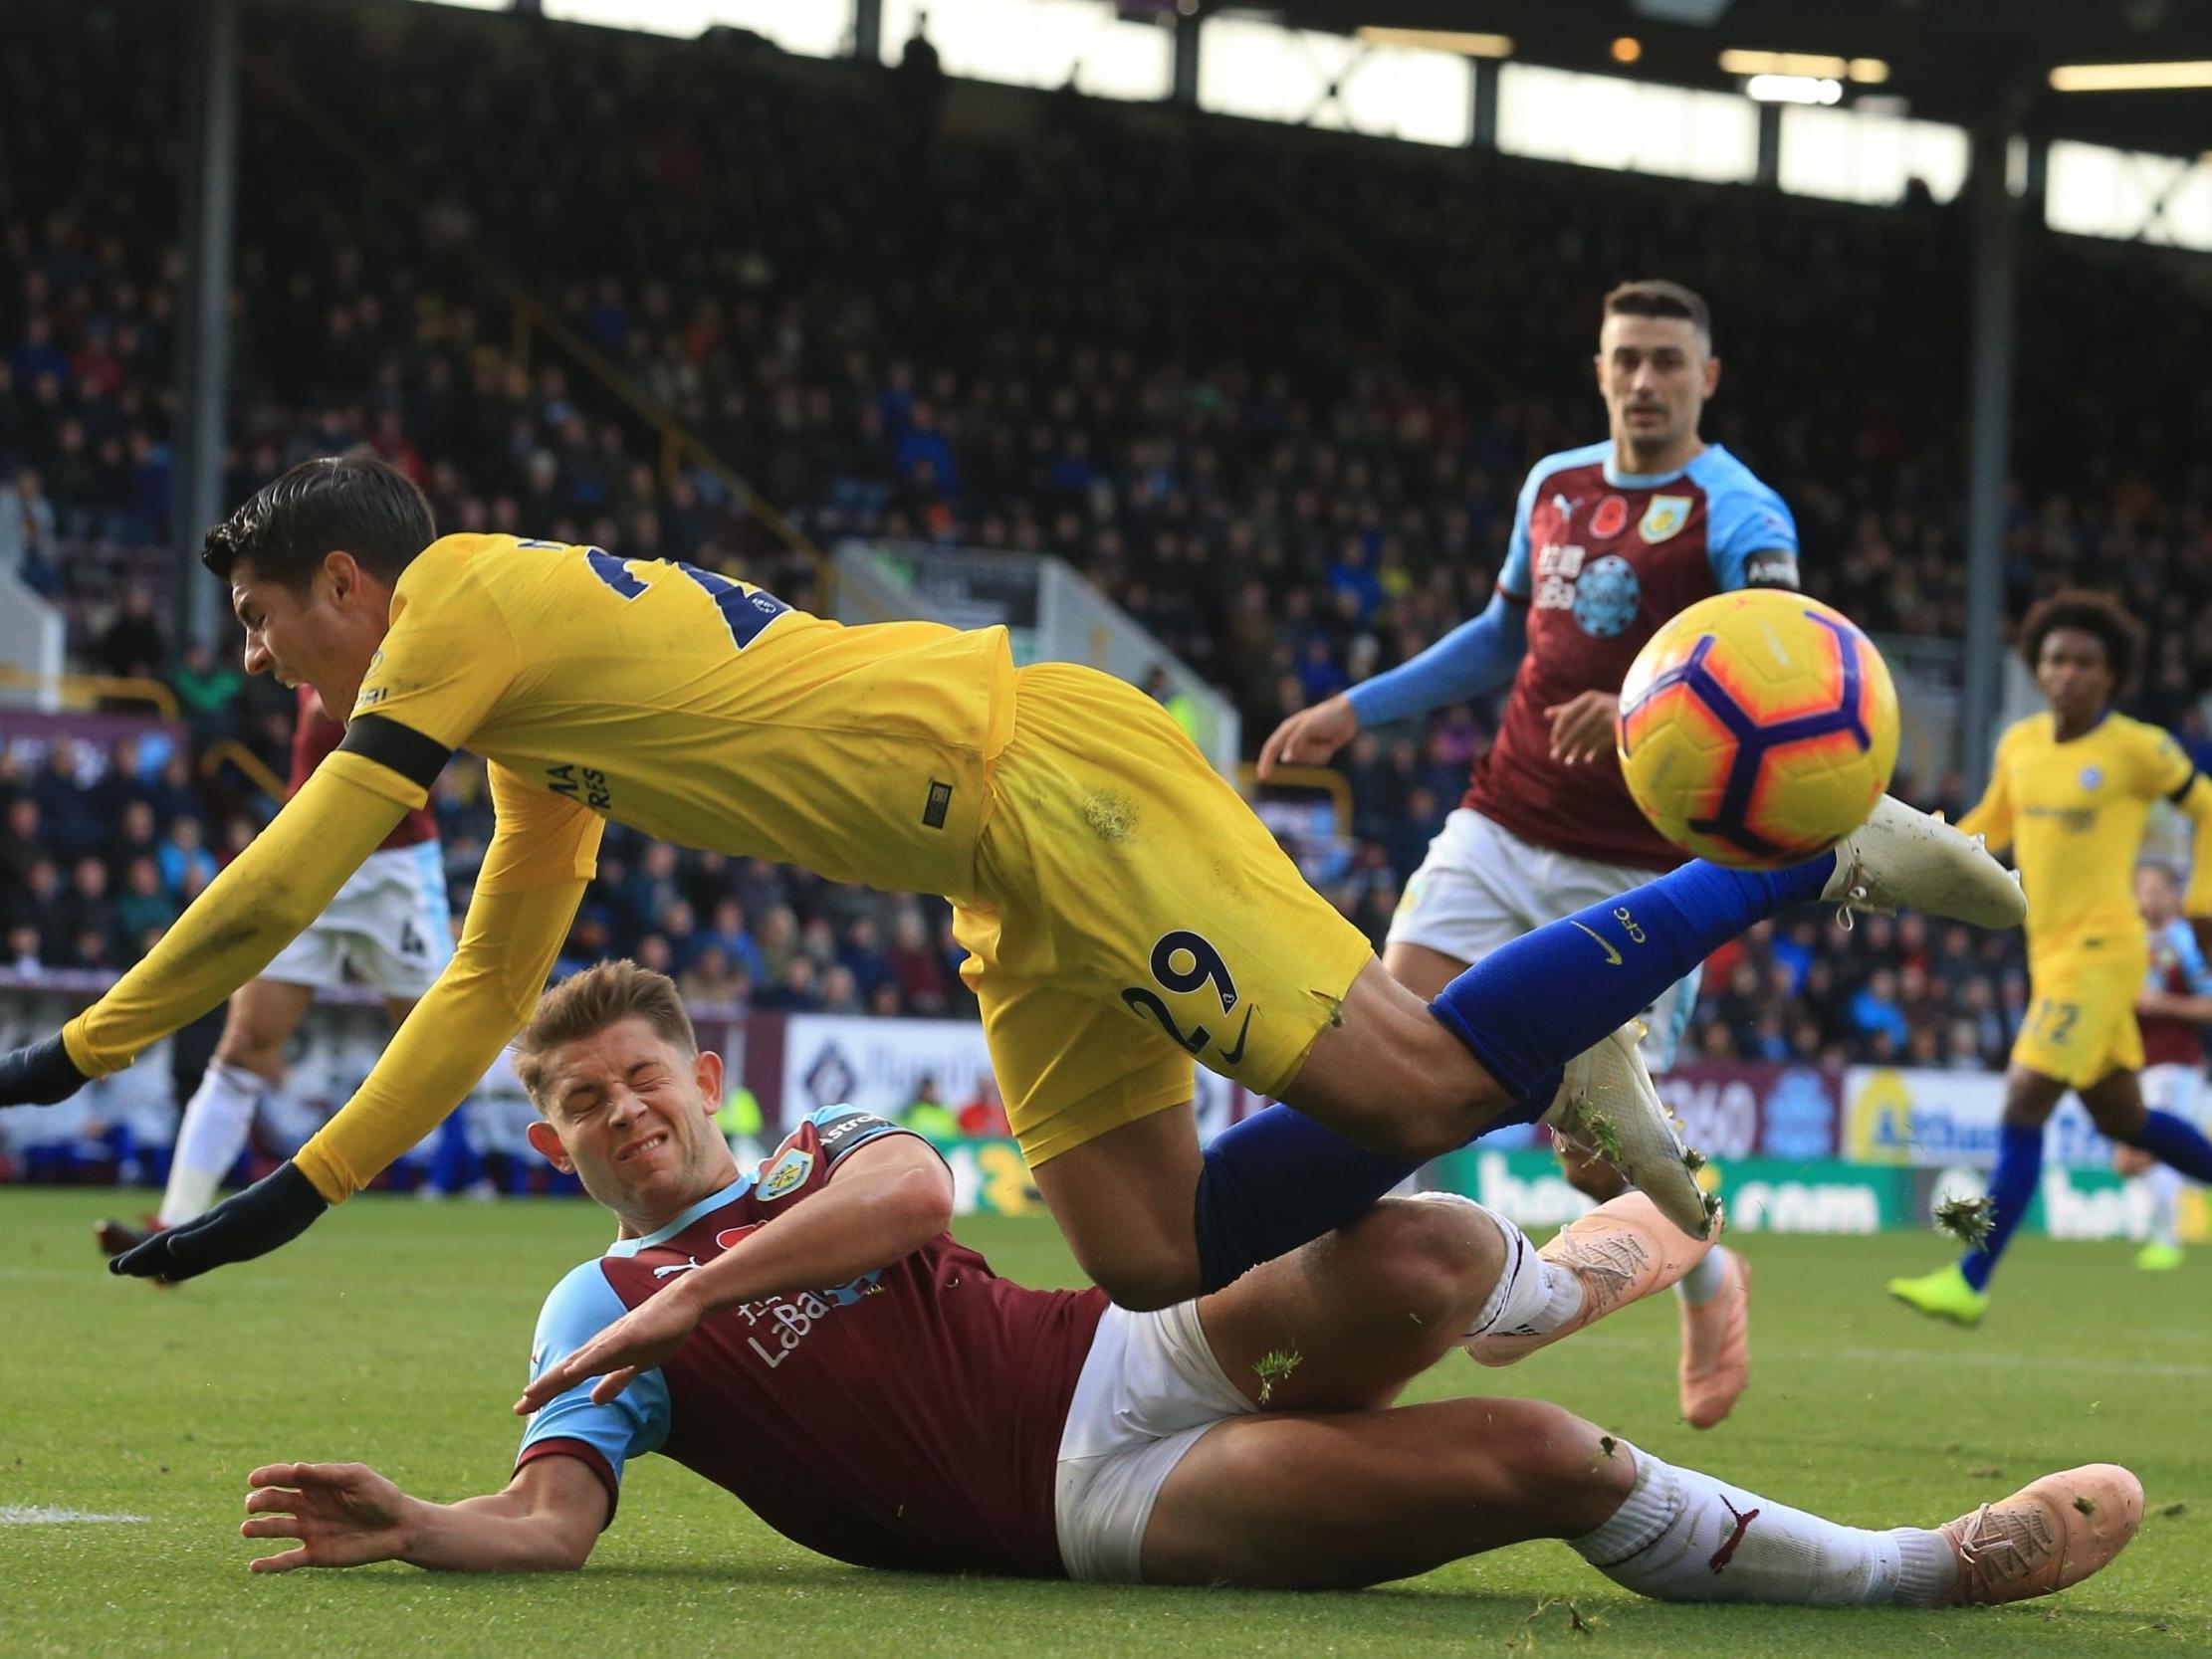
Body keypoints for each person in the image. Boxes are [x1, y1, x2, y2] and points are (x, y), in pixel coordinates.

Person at [0, 456, 2023, 1304]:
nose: (262, 654)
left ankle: (1791, 853)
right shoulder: (530, 723)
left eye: (268, 617)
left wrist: (80, 1047)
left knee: (1412, 1095)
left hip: (1048, 782)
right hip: (998, 880)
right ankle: (1543, 1048)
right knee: (1145, 1250)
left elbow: (301, 857)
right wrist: (288, 1196)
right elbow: (471, 994)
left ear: (348, 578)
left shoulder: (457, 604)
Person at [233, 960, 2140, 1609]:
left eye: (646, 1079)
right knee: (1546, 1463)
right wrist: (419, 1523)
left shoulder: (818, 1164)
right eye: (583, 1104)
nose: (624, 1114)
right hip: (1099, 1504)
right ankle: (1911, 1565)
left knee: (1414, 1246)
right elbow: (551, 1523)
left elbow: (909, 1189)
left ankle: (1585, 1260)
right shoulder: (586, 1303)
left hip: (1124, 1348)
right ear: (555, 1135)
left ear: (706, 1079)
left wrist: (689, 1297)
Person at [1259, 280, 1798, 1427]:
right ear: (1598, 367)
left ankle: (1704, 1265)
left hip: (1641, 876)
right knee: (1367, 1067)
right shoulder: (1553, 484)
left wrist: (1646, 701)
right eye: (1625, 359)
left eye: (1666, 360)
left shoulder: (1737, 510)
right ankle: (1332, 1345)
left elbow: (1778, 649)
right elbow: (1501, 637)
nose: (1643, 380)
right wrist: (1357, 707)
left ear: (1706, 378)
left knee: (1596, 1169)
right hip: (1497, 828)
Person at [1890, 592, 2212, 1324]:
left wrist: (2201, 901)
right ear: (2037, 668)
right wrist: (1906, 856)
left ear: (2112, 675)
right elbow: (1986, 830)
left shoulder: (2138, 748)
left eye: (2085, 662)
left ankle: (1970, 1277)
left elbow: (2206, 806)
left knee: (2024, 1099)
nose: (2068, 672)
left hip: (2105, 953)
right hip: (2051, 953)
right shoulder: (2020, 745)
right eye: (2056, 659)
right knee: (2125, 1118)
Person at [94, 686, 457, 1257]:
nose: (256, 657)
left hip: (395, 868)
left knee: (444, 1048)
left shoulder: (412, 617)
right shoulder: (295, 620)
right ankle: (174, 1225)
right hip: (309, 849)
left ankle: (500, 1173)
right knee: (246, 1046)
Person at [2115, 862, 2212, 1271]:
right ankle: (2165, 1237)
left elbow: (2208, 1002)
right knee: (2132, 1157)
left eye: (2156, 888)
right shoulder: (2130, 941)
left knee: (2147, 1150)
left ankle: (2167, 1240)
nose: (2148, 896)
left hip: (2177, 1063)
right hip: (2140, 1063)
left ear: (2174, 894)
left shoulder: (2185, 941)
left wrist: (2163, 1005)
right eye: (2142, 888)